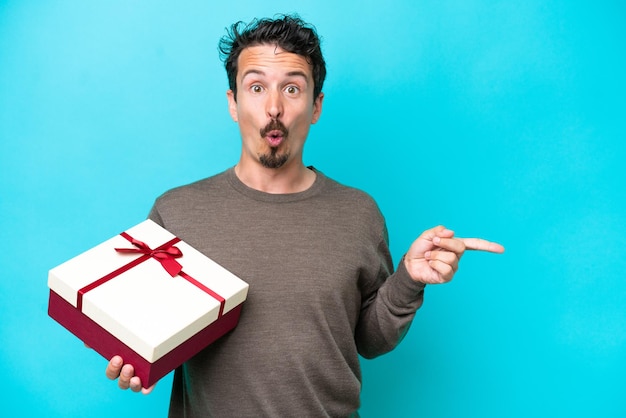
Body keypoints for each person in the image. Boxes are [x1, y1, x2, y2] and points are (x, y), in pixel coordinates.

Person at [104, 14, 504, 417]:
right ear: (232, 103)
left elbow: (367, 340)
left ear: (315, 106)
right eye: (256, 87)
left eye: (292, 89)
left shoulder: (358, 214)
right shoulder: (176, 213)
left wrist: (408, 281)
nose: (274, 107)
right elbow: (144, 329)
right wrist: (131, 357)